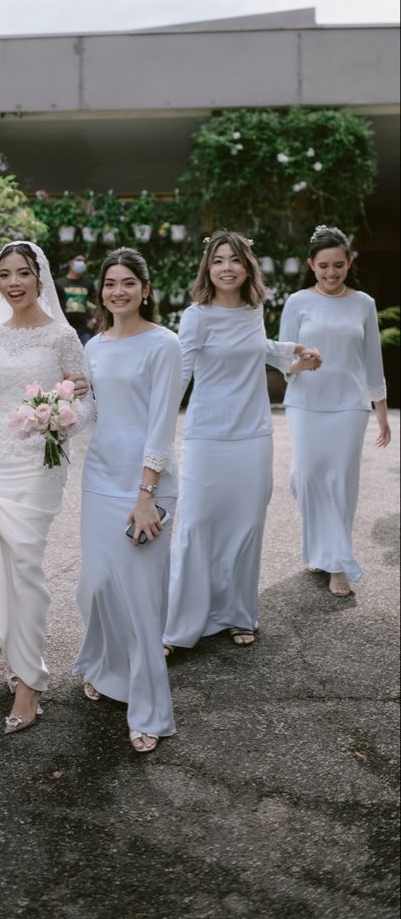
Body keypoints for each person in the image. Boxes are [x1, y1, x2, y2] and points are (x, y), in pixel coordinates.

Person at [163, 231, 320, 658]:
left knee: (245, 526)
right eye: (218, 260)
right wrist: (158, 425)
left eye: (234, 259)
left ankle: (237, 613)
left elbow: (257, 348)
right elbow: (181, 371)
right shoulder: (195, 316)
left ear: (247, 266)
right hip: (206, 435)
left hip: (253, 434)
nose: (227, 267)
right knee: (196, 525)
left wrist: (291, 352)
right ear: (207, 268)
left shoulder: (254, 310)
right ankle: (181, 625)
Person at [0, 241, 91, 734]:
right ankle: (20, 656)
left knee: (27, 565)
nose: (12, 283)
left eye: (22, 274)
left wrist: (59, 423)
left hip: (40, 464)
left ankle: (29, 682)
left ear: (40, 277)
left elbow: (86, 401)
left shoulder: (62, 336)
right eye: (5, 274)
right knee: (0, 564)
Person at [72, 248, 181, 753]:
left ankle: (149, 711)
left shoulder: (165, 344)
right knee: (97, 588)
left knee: (141, 601)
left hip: (146, 485)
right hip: (99, 478)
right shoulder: (93, 346)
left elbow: (161, 424)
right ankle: (108, 669)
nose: (118, 291)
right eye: (110, 283)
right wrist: (51, 410)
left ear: (145, 288)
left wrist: (146, 495)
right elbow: (89, 413)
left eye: (128, 283)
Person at [279, 225, 390, 597]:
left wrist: (382, 412)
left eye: (338, 265)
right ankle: (318, 547)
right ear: (311, 264)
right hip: (305, 402)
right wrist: (301, 365)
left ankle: (338, 563)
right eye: (324, 266)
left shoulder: (364, 303)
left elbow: (372, 361)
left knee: (341, 481)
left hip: (349, 404)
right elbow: (282, 361)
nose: (331, 273)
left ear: (348, 263)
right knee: (307, 476)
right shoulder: (296, 302)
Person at [55, 253, 97, 345]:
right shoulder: (58, 283)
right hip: (63, 329)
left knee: (85, 358)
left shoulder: (88, 284)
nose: (82, 263)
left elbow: (96, 303)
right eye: (79, 260)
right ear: (70, 263)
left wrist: (93, 319)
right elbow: (53, 306)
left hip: (84, 329)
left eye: (84, 261)